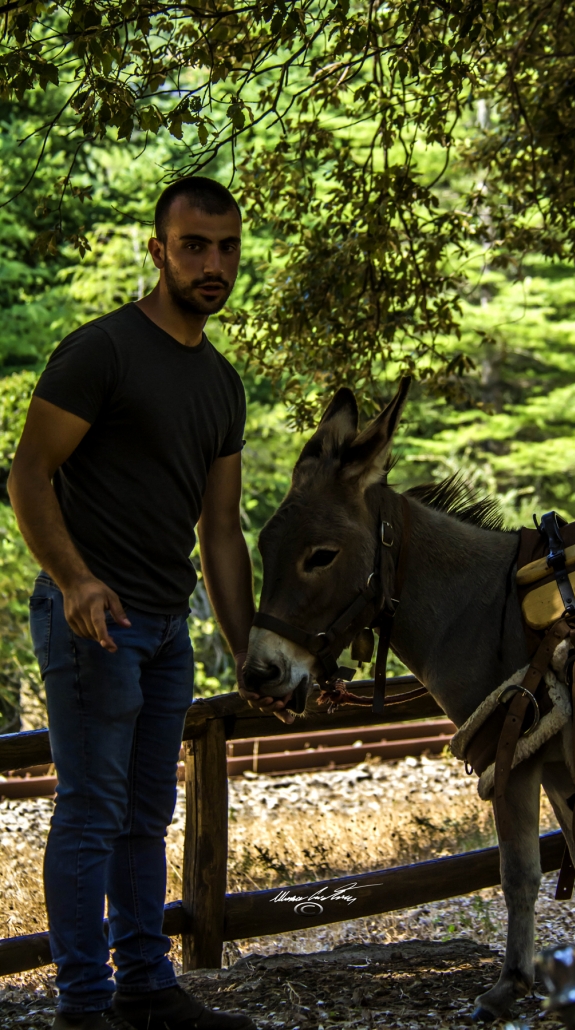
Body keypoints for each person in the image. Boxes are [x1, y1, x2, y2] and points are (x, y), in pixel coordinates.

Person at [7, 177, 286, 1030]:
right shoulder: (103, 352)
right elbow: (27, 474)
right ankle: (83, 1006)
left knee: (143, 814)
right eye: (194, 246)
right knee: (91, 812)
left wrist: (246, 651)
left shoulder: (221, 385)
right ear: (158, 250)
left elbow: (224, 532)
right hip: (95, 623)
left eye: (227, 246)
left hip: (168, 628)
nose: (213, 263)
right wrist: (75, 579)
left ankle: (146, 988)